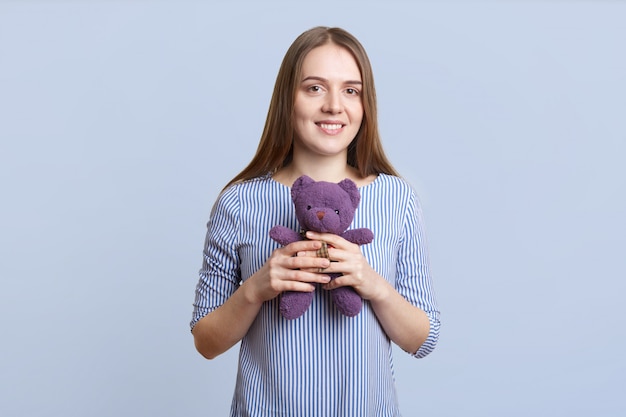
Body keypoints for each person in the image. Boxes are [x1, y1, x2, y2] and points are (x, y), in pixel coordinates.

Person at [190, 26, 440, 416]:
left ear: (365, 104)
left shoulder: (397, 199)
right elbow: (205, 342)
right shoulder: (239, 202)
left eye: (351, 90)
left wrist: (372, 283)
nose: (334, 106)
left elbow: (423, 340)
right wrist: (256, 288)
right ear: (287, 99)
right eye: (315, 88)